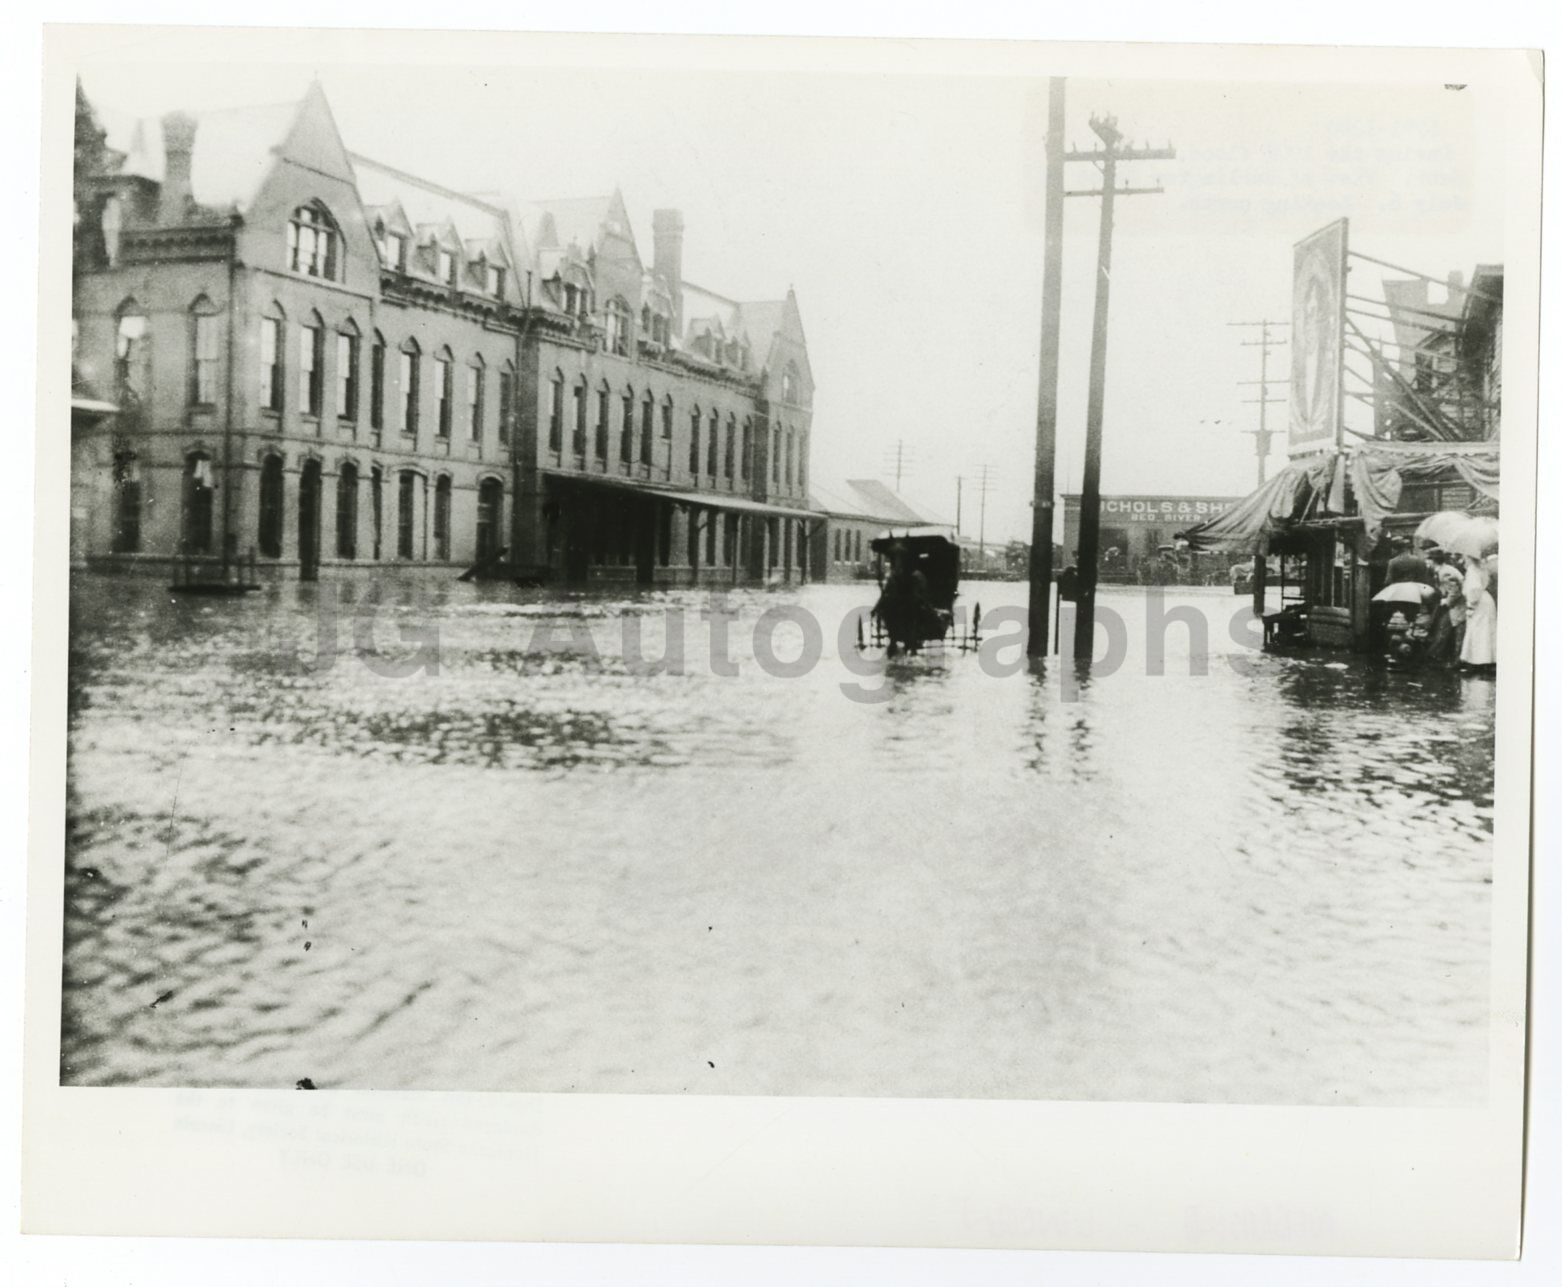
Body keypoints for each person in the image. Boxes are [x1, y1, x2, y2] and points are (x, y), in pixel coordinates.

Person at [1426, 548, 1465, 666]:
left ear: (1433, 561)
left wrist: (1446, 602)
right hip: (1455, 607)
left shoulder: (1445, 572)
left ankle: (1438, 659)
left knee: (1452, 633)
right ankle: (1437, 657)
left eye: (1428, 560)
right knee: (1444, 630)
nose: (1427, 563)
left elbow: (1455, 592)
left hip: (1458, 607)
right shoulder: (1444, 570)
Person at [1459, 553, 1498, 669]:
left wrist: (1471, 604)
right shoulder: (1482, 568)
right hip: (1486, 600)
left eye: (1465, 557)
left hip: (1478, 602)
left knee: (1478, 630)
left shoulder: (1472, 570)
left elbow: (1474, 589)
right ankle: (1488, 659)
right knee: (1486, 630)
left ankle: (1478, 661)